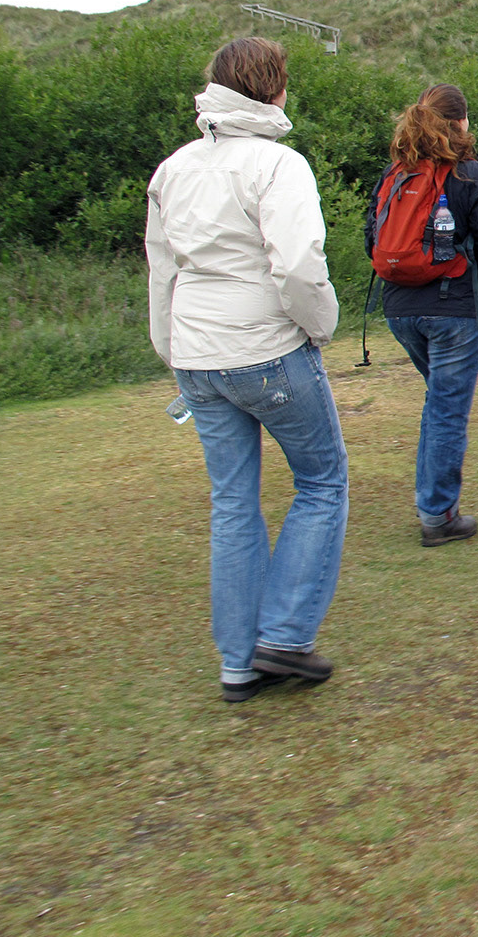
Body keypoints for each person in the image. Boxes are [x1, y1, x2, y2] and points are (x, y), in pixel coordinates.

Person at [146, 37, 348, 703]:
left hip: (198, 355)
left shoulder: (173, 169)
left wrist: (173, 353)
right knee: (321, 481)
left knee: (233, 505)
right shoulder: (277, 164)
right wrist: (321, 326)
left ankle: (238, 662)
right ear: (276, 88)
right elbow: (295, 265)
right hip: (268, 348)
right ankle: (284, 637)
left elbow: (162, 271)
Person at [364, 84, 478, 545]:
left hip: (399, 306)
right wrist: (475, 289)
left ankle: (436, 503)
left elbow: (370, 238)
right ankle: (437, 514)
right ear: (462, 122)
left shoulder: (394, 174)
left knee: (440, 401)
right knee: (447, 407)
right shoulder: (472, 176)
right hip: (453, 310)